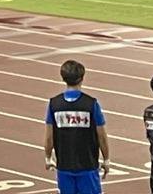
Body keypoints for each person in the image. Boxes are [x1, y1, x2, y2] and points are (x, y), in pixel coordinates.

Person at [44, 59, 110, 194]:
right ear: (82, 78)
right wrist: (106, 159)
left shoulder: (54, 104)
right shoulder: (91, 104)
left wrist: (48, 157)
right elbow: (101, 136)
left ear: (63, 78)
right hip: (88, 165)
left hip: (64, 165)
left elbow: (49, 137)